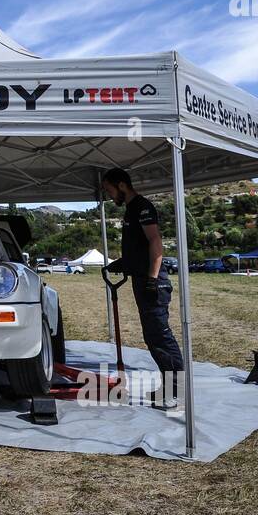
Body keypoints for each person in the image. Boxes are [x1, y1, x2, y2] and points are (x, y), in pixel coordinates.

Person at [101, 166, 185, 409]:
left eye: (109, 190)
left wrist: (152, 277)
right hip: (143, 280)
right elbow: (137, 250)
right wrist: (120, 264)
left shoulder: (143, 207)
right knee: (152, 338)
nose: (109, 196)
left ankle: (176, 393)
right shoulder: (130, 211)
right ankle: (167, 388)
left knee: (161, 337)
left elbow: (155, 242)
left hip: (153, 283)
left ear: (122, 186)